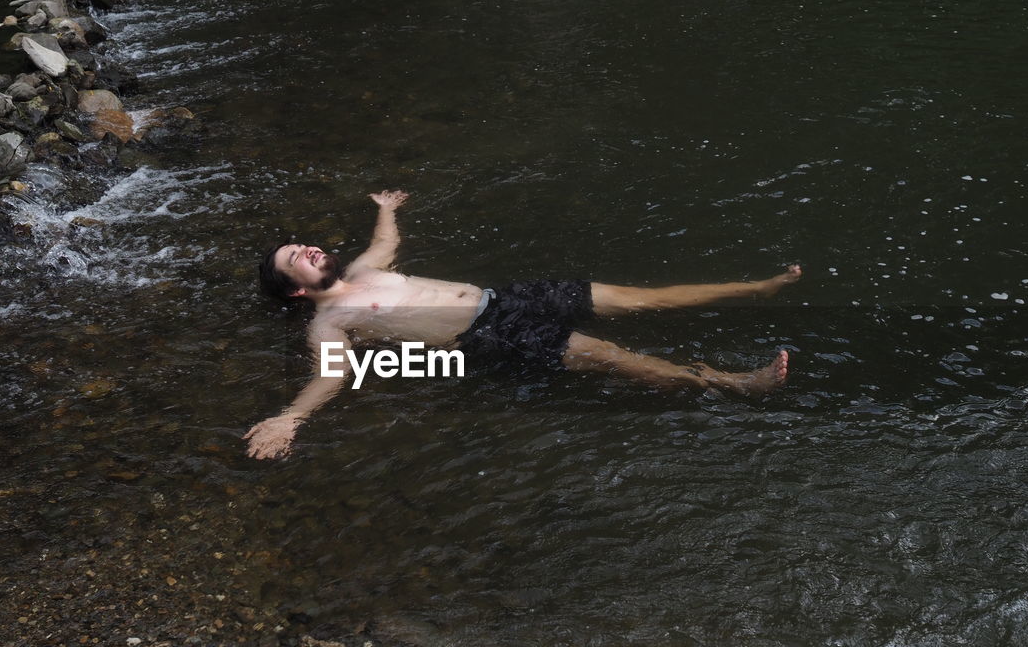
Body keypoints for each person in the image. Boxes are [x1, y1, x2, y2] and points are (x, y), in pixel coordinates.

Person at [244, 190, 801, 459]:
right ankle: (730, 381)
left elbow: (385, 243)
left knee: (641, 300)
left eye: (304, 244)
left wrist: (386, 208)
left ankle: (756, 287)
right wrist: (290, 418)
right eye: (296, 257)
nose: (309, 249)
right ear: (296, 290)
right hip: (495, 334)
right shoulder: (329, 324)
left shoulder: (364, 268)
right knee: (613, 357)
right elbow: (333, 375)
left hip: (510, 296)